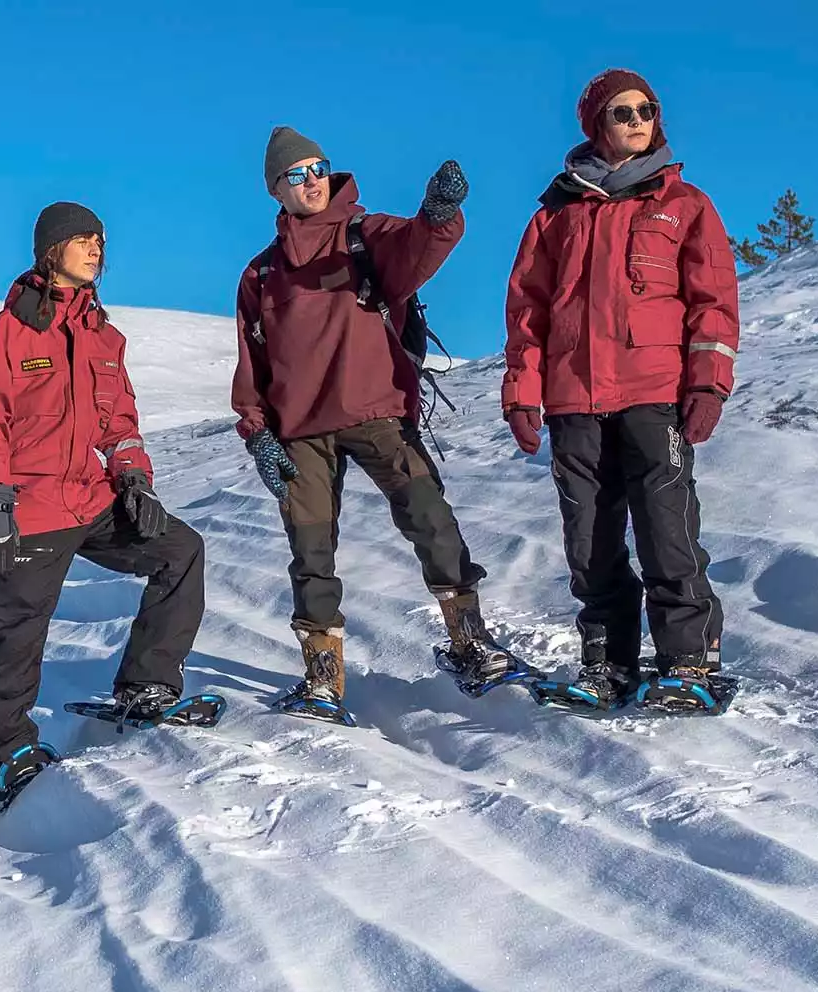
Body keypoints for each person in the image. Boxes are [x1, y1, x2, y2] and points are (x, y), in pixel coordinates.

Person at [233, 126, 520, 716]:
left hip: (377, 412)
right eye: (296, 173)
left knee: (430, 519)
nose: (312, 180)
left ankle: (470, 641)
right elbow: (252, 360)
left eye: (319, 167)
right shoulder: (261, 274)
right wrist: (257, 432)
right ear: (275, 190)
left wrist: (438, 214)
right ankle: (322, 676)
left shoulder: (366, 236)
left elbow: (420, 247)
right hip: (299, 431)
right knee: (310, 548)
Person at [502, 69, 739, 709]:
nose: (636, 120)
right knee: (590, 541)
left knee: (667, 530)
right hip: (574, 400)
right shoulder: (554, 216)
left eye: (646, 109)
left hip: (654, 391)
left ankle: (689, 660)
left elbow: (713, 303)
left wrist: (709, 384)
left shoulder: (684, 204)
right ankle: (608, 664)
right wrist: (523, 392)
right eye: (621, 112)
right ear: (595, 125)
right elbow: (528, 313)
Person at [0, 202, 207, 810]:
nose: (96, 249)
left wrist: (135, 481)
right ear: (51, 251)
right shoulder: (10, 330)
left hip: (91, 499)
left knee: (181, 551)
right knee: (15, 634)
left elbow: (118, 421)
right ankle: (5, 755)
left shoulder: (103, 334)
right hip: (31, 507)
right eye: (82, 240)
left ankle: (146, 688)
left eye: (100, 240)